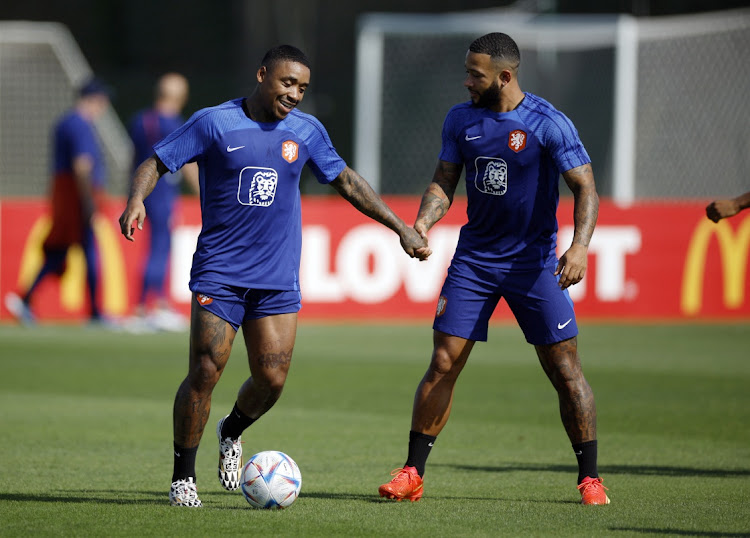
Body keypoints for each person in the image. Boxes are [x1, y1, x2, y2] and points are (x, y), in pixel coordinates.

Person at [118, 45, 429, 507]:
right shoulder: (214, 122)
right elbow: (157, 162)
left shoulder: (306, 130)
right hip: (219, 272)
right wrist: (136, 199)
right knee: (205, 371)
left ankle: (232, 430)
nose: (295, 94)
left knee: (273, 378)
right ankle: (184, 477)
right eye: (287, 83)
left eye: (302, 87)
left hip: (276, 277)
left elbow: (345, 180)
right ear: (263, 75)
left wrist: (400, 227)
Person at [378, 32, 609, 505]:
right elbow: (445, 181)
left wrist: (580, 246)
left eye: (475, 75)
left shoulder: (549, 123)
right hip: (475, 262)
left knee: (565, 371)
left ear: (505, 76)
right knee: (443, 363)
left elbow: (585, 187)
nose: (466, 82)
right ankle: (411, 473)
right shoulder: (460, 119)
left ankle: (590, 479)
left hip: (535, 263)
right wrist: (424, 219)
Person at [4, 78, 111, 325]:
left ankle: (27, 298)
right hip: (75, 197)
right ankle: (95, 311)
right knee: (87, 251)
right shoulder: (81, 125)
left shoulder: (65, 123)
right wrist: (88, 202)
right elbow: (82, 166)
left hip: (64, 195)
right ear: (95, 100)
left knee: (59, 251)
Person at [126, 73, 198, 332]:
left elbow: (133, 160)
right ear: (181, 97)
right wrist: (203, 192)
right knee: (161, 247)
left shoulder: (139, 120)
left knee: (154, 247)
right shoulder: (175, 123)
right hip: (164, 192)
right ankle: (149, 307)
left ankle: (150, 305)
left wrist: (133, 194)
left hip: (144, 192)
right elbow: (187, 162)